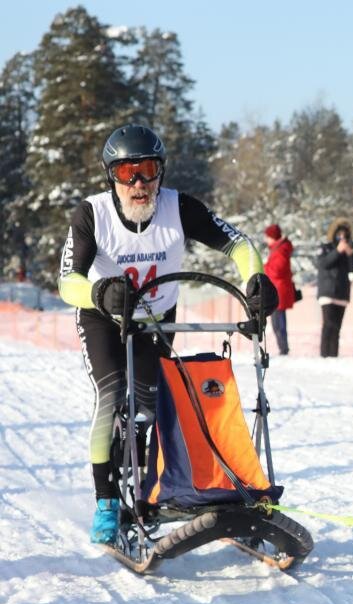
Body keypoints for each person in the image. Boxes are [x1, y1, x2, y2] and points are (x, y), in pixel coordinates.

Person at [58, 124, 278, 545]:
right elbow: (68, 281)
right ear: (112, 177)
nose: (139, 183)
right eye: (127, 173)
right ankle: (106, 501)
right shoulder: (92, 213)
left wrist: (256, 280)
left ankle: (147, 474)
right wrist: (100, 292)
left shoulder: (179, 208)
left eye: (147, 170)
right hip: (104, 316)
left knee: (150, 403)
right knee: (110, 394)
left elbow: (240, 245)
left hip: (156, 318)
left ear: (161, 173)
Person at [315, 219, 353, 357]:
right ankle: (324, 355)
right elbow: (323, 264)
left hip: (342, 293)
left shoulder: (348, 252)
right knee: (328, 325)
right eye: (340, 234)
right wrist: (337, 251)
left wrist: (350, 254)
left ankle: (334, 356)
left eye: (345, 235)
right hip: (327, 292)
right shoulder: (326, 248)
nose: (342, 238)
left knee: (337, 328)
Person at [263, 223, 296, 355]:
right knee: (276, 322)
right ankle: (282, 348)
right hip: (278, 289)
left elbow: (277, 270)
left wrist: (264, 267)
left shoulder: (281, 250)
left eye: (267, 236)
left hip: (279, 290)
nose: (266, 239)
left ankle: (284, 349)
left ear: (272, 237)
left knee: (279, 323)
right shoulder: (277, 249)